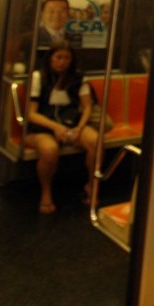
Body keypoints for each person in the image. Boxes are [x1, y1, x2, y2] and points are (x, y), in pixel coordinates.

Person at [25, 40, 98, 214]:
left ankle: (91, 185)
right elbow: (31, 113)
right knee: (50, 150)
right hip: (43, 126)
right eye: (58, 57)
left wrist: (79, 128)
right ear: (50, 58)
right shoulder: (39, 78)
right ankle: (46, 192)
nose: (62, 62)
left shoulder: (79, 78)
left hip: (71, 123)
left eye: (66, 58)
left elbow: (87, 107)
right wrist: (56, 127)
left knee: (95, 141)